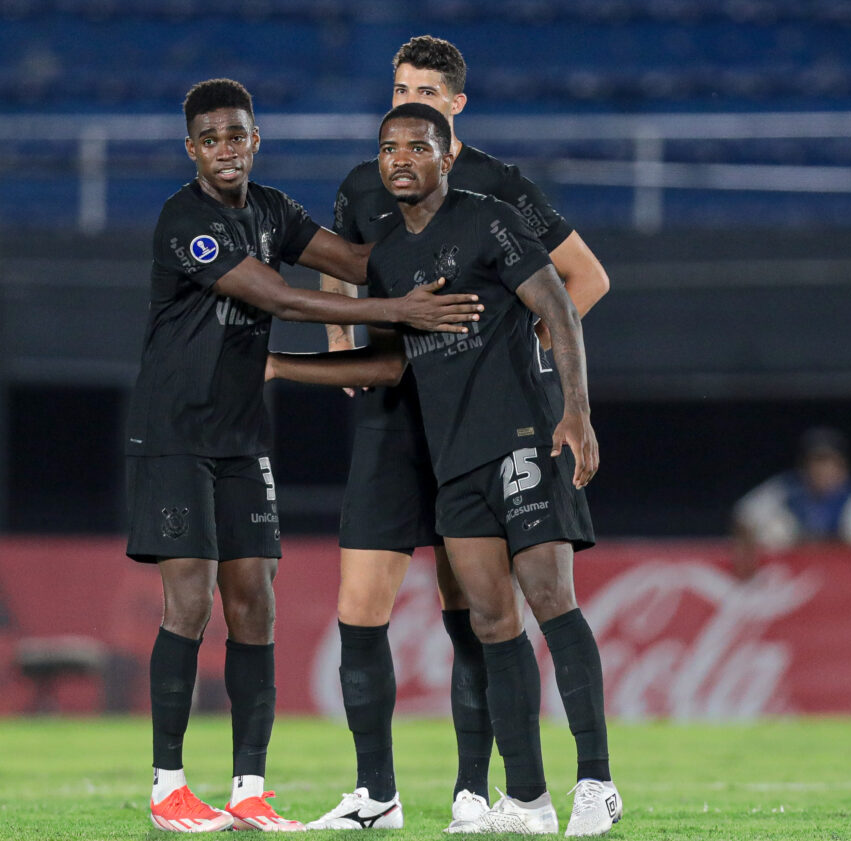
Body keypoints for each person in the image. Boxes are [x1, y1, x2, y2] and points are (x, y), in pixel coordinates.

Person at [125, 78, 482, 834]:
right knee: (189, 605)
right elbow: (279, 298)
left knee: (254, 603)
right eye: (212, 137)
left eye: (238, 134)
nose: (227, 148)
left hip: (241, 436)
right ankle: (168, 787)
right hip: (175, 435)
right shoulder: (185, 221)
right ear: (192, 148)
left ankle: (249, 788)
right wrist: (398, 312)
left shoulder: (273, 210)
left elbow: (356, 261)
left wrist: (445, 223)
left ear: (257, 140)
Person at [271, 103, 622, 837]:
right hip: (454, 459)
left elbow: (558, 302)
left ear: (445, 157)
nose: (401, 159)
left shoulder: (488, 218)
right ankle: (527, 799)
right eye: (389, 148)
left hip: (523, 436)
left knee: (551, 598)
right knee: (493, 621)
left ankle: (596, 781)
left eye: (417, 147)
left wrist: (576, 411)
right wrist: (281, 363)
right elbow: (393, 360)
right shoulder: (389, 257)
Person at [731, 427, 851, 578]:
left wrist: (816, 545)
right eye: (817, 462)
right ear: (804, 465)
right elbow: (743, 514)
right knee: (778, 528)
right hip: (786, 577)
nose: (822, 470)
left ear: (842, 467)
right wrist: (748, 554)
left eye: (829, 463)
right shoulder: (786, 488)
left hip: (840, 579)